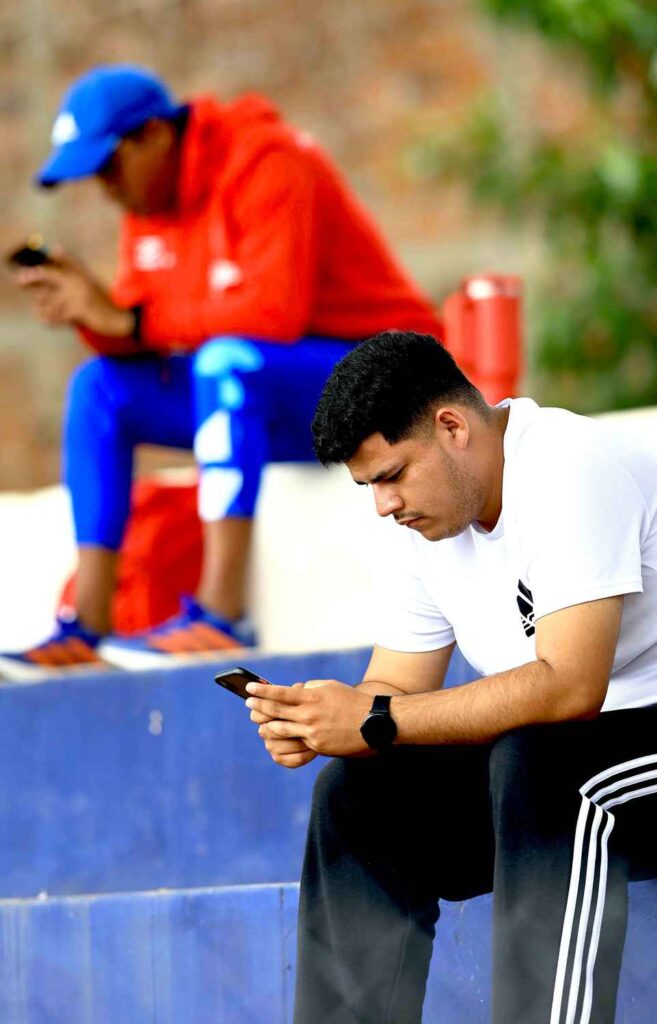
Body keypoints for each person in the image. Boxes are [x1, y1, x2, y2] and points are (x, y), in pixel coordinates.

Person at [245, 330, 657, 1024]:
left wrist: (374, 719)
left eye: (392, 475)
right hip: (544, 778)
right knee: (356, 793)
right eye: (369, 486)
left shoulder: (568, 468)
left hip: (612, 753)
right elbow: (395, 688)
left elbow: (569, 688)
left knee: (543, 763)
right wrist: (320, 718)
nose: (384, 505)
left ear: (451, 427)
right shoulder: (428, 527)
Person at [3, 65, 441, 672]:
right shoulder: (150, 204)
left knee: (225, 362)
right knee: (97, 387)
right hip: (286, 401)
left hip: (389, 381)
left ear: (154, 135)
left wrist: (128, 320)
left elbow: (271, 314)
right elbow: (145, 333)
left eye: (109, 166)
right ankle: (87, 626)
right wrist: (92, 313)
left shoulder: (267, 159)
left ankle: (221, 616)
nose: (106, 188)